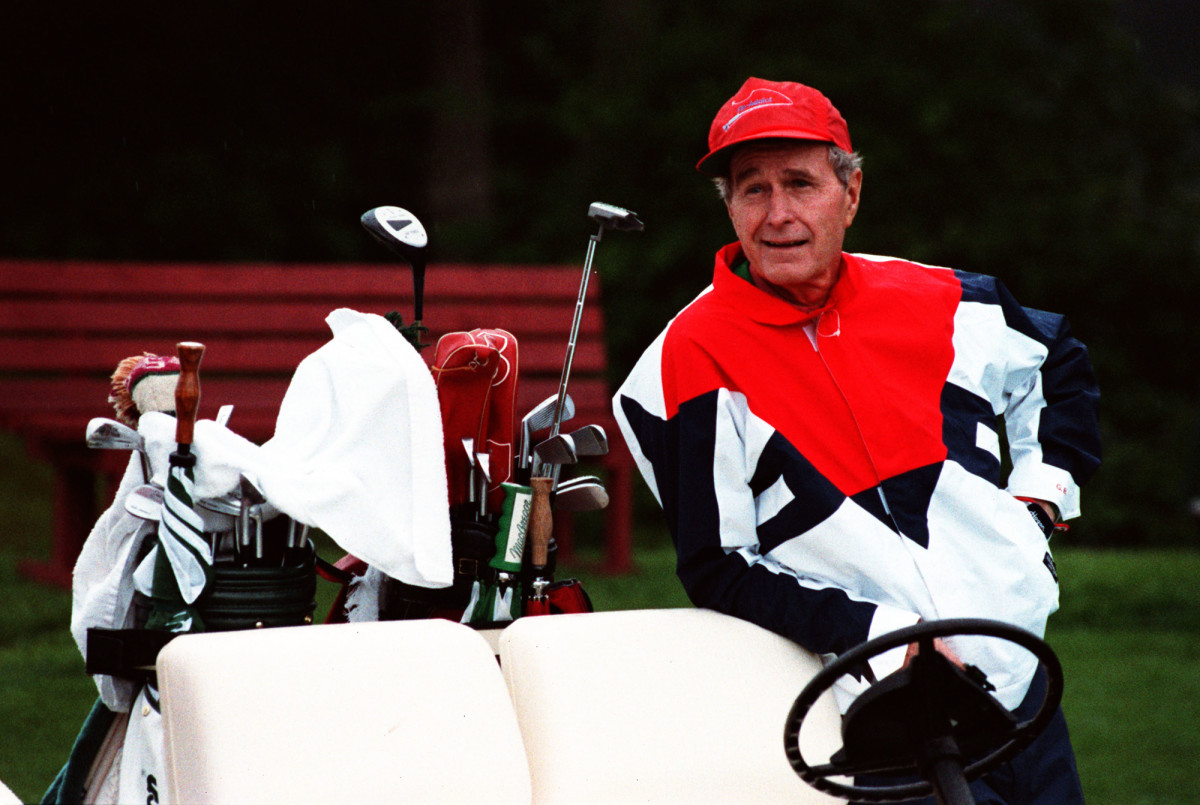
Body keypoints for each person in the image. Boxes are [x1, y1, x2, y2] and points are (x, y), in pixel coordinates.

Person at [612, 77, 1101, 804]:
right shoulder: (681, 361)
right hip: (883, 709)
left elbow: (1057, 365)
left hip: (1025, 681)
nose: (778, 214)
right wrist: (887, 630)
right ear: (729, 205)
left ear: (851, 192)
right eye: (753, 189)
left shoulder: (940, 297)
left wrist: (1036, 507)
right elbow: (717, 567)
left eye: (801, 184)